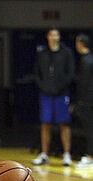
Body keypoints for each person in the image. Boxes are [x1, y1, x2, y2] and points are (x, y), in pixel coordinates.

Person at [32, 28, 75, 167]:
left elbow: (70, 73)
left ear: (59, 36)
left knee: (64, 123)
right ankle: (44, 154)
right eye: (51, 34)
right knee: (45, 123)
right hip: (46, 93)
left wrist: (60, 87)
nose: (54, 37)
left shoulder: (66, 52)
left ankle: (67, 154)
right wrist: (44, 86)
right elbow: (37, 73)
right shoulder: (42, 53)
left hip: (61, 93)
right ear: (47, 36)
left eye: (56, 34)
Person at [74, 34, 93, 170]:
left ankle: (90, 156)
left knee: (89, 129)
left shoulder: (86, 60)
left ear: (80, 43)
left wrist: (80, 102)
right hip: (88, 99)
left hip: (87, 101)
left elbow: (84, 83)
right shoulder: (89, 59)